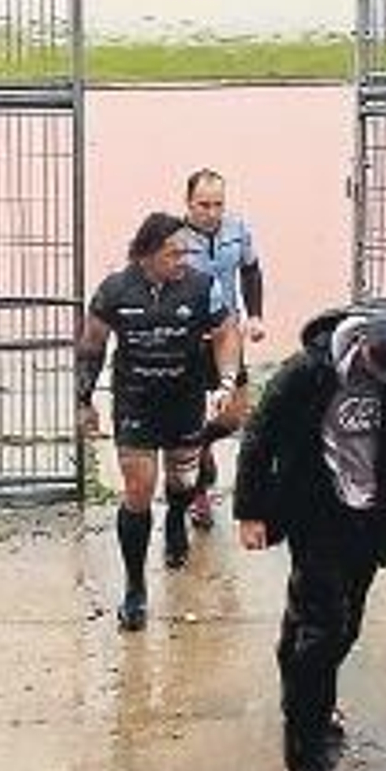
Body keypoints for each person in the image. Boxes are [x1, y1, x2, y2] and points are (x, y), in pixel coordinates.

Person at [233, 305, 386, 771]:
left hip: (373, 517)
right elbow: (260, 436)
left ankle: (301, 681)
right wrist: (250, 510)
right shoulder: (308, 372)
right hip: (315, 510)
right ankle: (309, 752)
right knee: (324, 630)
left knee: (341, 626)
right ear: (363, 348)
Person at [77, 212, 243, 631]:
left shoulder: (202, 286)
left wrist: (225, 381)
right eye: (174, 253)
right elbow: (92, 344)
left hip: (185, 401)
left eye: (186, 251)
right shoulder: (115, 289)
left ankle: (175, 520)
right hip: (136, 402)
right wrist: (84, 399)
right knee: (137, 490)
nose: (184, 259)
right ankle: (135, 588)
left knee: (182, 482)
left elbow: (226, 332)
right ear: (147, 254)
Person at [181, 168, 266, 529]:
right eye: (204, 205)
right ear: (188, 203)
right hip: (187, 340)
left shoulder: (237, 229)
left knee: (234, 416)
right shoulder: (174, 237)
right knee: (187, 415)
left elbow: (251, 270)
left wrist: (256, 315)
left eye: (218, 204)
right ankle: (198, 495)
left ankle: (201, 445)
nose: (212, 212)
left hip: (227, 335)